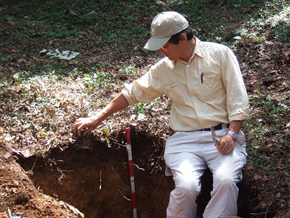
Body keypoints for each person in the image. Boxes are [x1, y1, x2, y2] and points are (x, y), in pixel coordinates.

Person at [74, 11, 249, 218]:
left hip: (221, 136)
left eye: (165, 46)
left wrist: (232, 134)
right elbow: (132, 93)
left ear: (183, 39)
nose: (161, 52)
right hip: (185, 140)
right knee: (186, 187)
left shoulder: (220, 55)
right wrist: (96, 119)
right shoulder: (164, 69)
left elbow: (238, 98)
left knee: (226, 181)